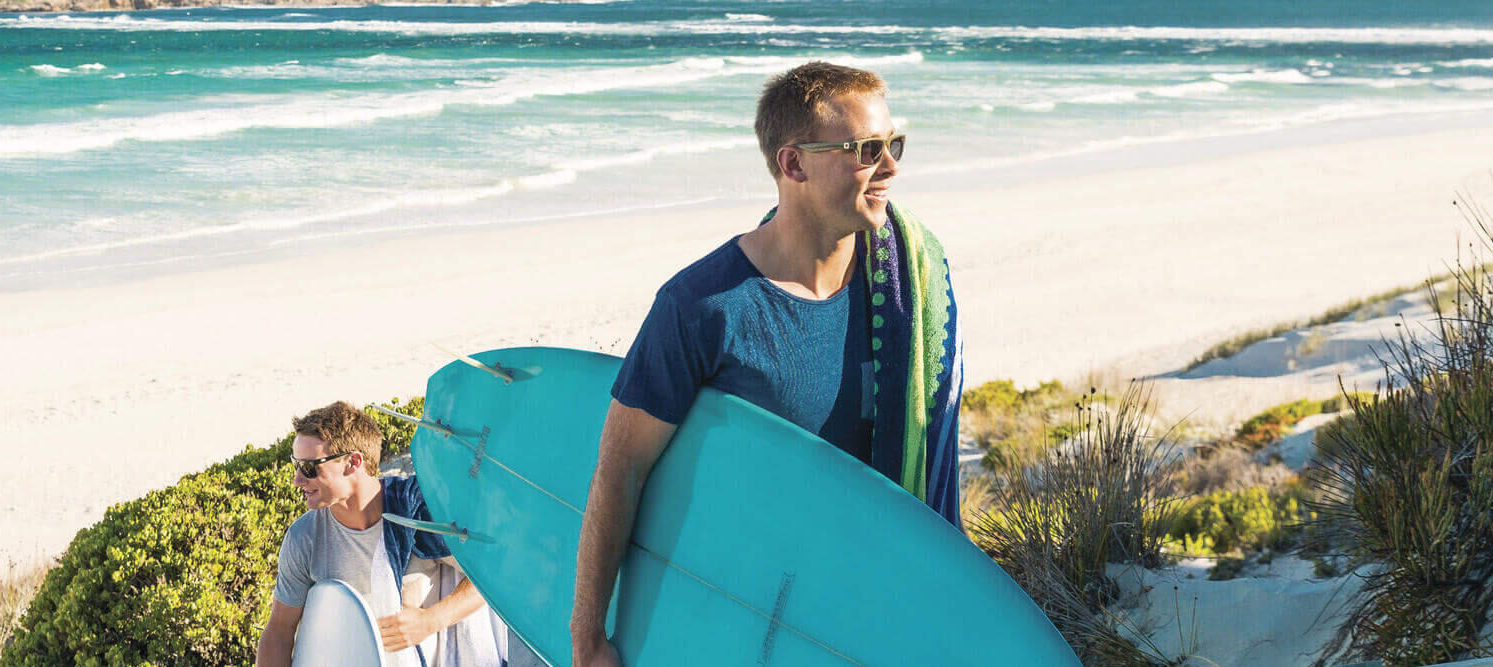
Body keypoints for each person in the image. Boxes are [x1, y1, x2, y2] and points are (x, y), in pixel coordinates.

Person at [567, 61, 964, 667]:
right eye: (867, 150)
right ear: (794, 163)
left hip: (869, 613)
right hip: (750, 622)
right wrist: (588, 639)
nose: (890, 167)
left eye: (893, 145)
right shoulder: (701, 307)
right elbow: (621, 468)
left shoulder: (912, 290)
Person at [256, 401, 511, 667]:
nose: (297, 479)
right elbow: (279, 632)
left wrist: (430, 621)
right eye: (295, 465)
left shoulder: (415, 512)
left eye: (310, 468)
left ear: (352, 462)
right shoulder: (304, 538)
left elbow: (488, 576)